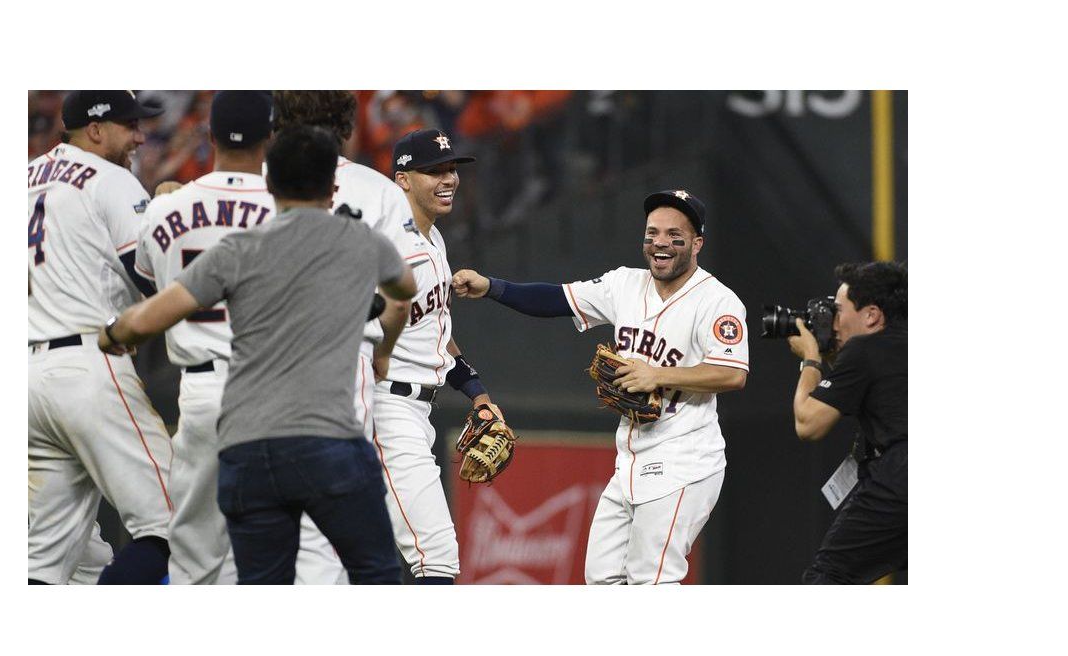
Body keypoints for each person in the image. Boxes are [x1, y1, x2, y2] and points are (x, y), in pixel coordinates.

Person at [100, 124, 418, 584]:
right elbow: (403, 293)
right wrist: (382, 345)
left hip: (251, 447)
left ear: (270, 185)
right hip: (329, 440)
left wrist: (112, 333)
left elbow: (148, 318)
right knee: (377, 574)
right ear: (332, 186)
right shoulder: (359, 240)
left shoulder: (239, 249)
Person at [451, 189, 748, 584]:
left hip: (685, 460)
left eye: (674, 235)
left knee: (652, 580)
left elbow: (732, 373)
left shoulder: (717, 301)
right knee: (602, 578)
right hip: (630, 459)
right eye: (653, 233)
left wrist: (658, 375)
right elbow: (555, 299)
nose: (660, 242)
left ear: (697, 244)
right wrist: (491, 286)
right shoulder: (624, 284)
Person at [134, 91, 343, 584]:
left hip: (202, 394)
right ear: (271, 138)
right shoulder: (297, 211)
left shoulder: (166, 208)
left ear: (209, 136)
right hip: (278, 393)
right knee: (301, 553)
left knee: (196, 562)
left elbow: (150, 285)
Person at [27, 90, 175, 585]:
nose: (139, 137)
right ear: (94, 129)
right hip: (89, 366)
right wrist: (169, 215)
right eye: (129, 125)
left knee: (50, 562)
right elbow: (155, 278)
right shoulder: (109, 178)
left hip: (29, 377)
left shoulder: (23, 179)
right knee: (176, 524)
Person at [271, 91, 418, 580]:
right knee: (326, 520)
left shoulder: (260, 181)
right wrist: (385, 352)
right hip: (341, 356)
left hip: (257, 360)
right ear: (346, 126)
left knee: (260, 520)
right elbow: (400, 297)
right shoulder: (378, 190)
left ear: (281, 122)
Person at [373, 128, 500, 583]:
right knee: (437, 556)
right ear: (403, 180)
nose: (448, 179)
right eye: (433, 171)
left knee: (368, 560)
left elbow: (437, 334)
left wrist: (477, 392)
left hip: (413, 408)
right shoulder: (386, 242)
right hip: (385, 408)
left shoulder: (433, 238)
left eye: (451, 169)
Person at [787, 261, 907, 584]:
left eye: (838, 311)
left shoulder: (865, 350)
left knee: (829, 577)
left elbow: (808, 423)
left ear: (871, 315)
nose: (833, 322)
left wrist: (810, 359)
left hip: (900, 478)